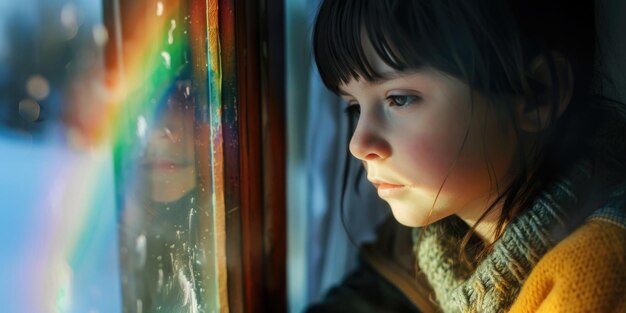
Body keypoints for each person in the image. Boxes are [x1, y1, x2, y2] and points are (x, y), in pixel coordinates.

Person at [306, 0, 626, 312]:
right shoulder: (430, 241)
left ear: (536, 93)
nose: (358, 144)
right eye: (354, 107)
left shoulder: (593, 276)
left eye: (400, 99)